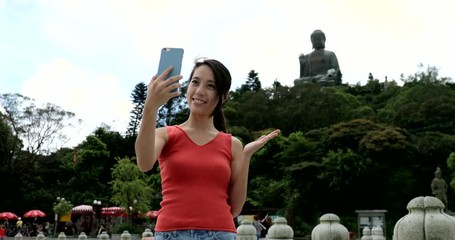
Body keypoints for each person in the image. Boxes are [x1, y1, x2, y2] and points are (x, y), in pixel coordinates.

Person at [135, 58, 280, 240]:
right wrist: (150, 106)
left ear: (223, 96)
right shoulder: (165, 135)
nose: (200, 91)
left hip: (221, 234)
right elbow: (144, 162)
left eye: (210, 86)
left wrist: (246, 156)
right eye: (195, 82)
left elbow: (234, 208)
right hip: (171, 233)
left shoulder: (232, 144)